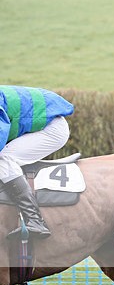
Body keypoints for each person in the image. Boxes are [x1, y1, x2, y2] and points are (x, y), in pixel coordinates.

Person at [0, 86, 72, 239]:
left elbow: (1, 133)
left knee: (4, 159)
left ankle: (35, 221)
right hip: (43, 124)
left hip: (51, 129)